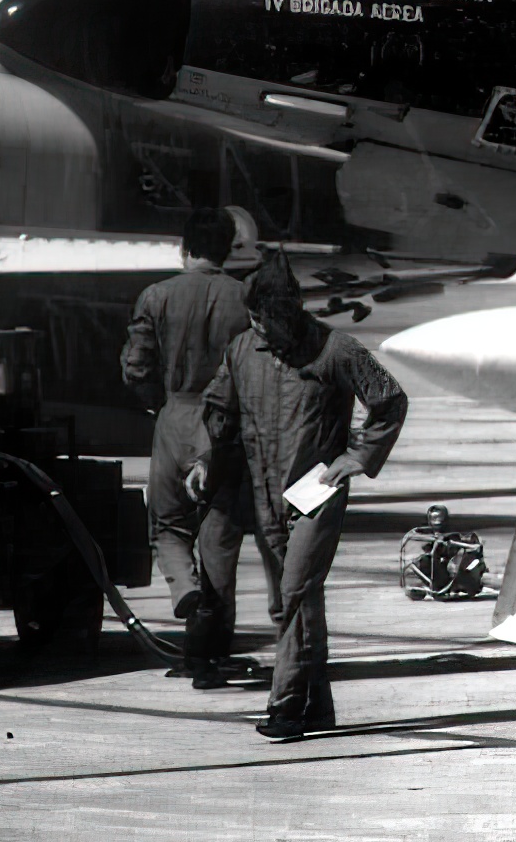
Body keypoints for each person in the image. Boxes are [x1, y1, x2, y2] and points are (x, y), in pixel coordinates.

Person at [190, 253, 407, 740]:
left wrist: (360, 457)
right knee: (293, 603)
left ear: (288, 313)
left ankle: (285, 707)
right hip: (265, 494)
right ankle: (317, 706)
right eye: (254, 320)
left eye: (266, 321)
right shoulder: (243, 350)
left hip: (315, 494)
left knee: (294, 594)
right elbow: (218, 411)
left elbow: (389, 398)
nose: (260, 330)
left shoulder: (336, 349)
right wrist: (205, 461)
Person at [120, 206, 251, 687]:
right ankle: (213, 648)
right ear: (227, 249)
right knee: (221, 537)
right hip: (224, 427)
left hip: (173, 419)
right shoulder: (245, 298)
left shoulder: (156, 296)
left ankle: (189, 599)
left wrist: (161, 404)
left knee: (168, 528)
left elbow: (136, 367)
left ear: (185, 248)